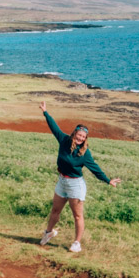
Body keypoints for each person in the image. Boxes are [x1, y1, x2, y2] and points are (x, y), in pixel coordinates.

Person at [38, 100, 121, 252]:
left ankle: (76, 243)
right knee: (55, 210)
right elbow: (53, 127)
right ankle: (48, 233)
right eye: (79, 134)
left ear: (85, 138)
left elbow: (95, 169)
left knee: (77, 216)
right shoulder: (64, 140)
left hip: (75, 184)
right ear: (74, 133)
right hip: (62, 181)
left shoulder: (85, 152)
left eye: (84, 136)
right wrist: (45, 112)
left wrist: (108, 180)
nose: (81, 138)